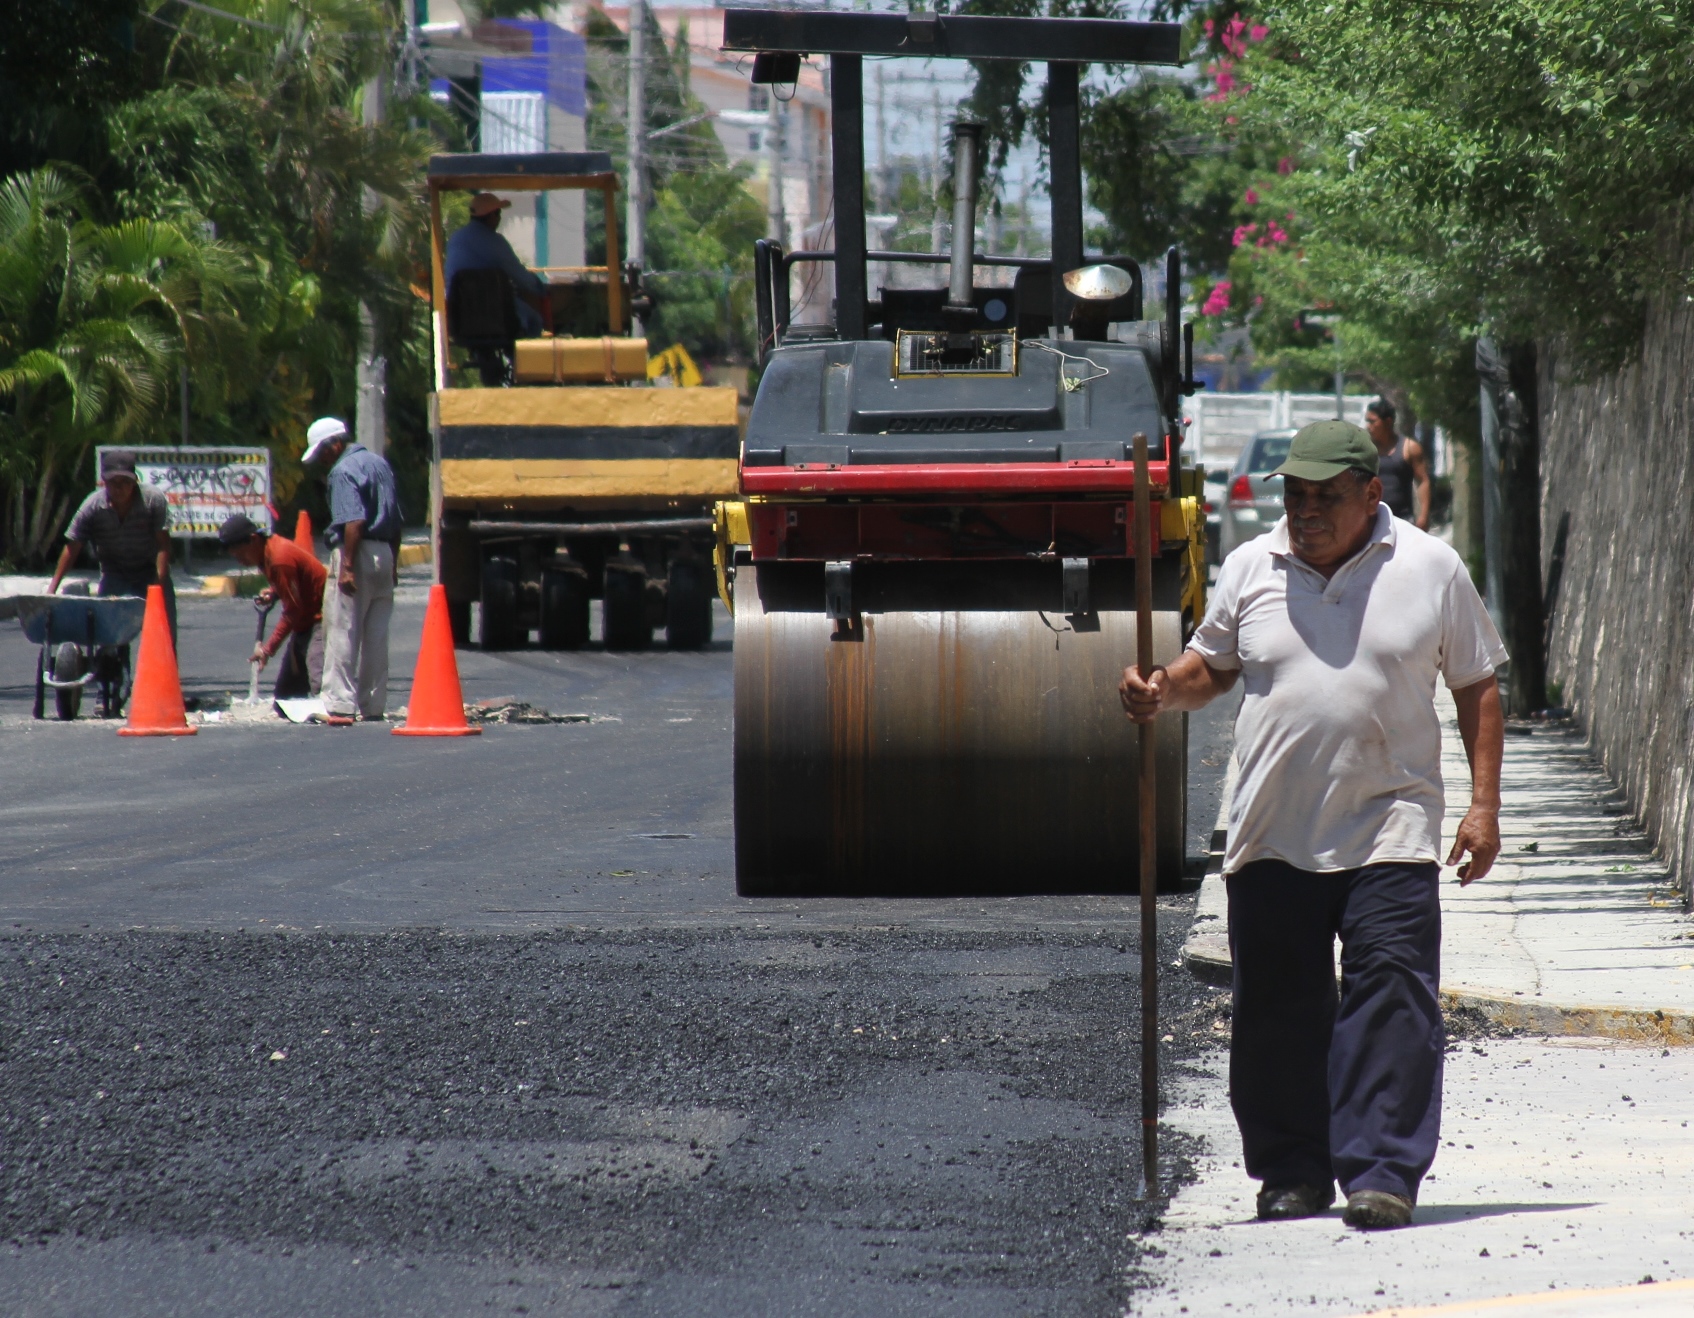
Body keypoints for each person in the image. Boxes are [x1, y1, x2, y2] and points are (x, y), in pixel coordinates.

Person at [1120, 419, 1507, 1231]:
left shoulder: (1431, 569)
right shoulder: (1248, 567)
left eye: (1326, 496)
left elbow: (1477, 684)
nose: (1307, 511)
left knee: (1392, 996)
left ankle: (1383, 1171)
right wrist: (1163, 688)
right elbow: (1210, 670)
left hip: (1392, 826)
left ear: (1373, 492)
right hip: (1273, 830)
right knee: (1277, 1013)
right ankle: (1292, 1173)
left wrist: (1482, 806)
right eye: (1296, 496)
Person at [301, 416, 402, 726]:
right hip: (384, 552)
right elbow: (396, 519)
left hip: (355, 552)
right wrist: (393, 563)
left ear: (335, 444)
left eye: (322, 452)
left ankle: (340, 704)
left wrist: (346, 568)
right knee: (376, 635)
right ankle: (373, 705)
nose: (322, 459)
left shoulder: (343, 471)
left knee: (342, 630)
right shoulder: (379, 465)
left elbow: (353, 522)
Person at [48, 449, 177, 651]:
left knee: (164, 635)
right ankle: (109, 671)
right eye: (113, 483)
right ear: (104, 483)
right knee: (106, 634)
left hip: (149, 571)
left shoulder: (152, 500)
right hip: (115, 572)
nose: (119, 489)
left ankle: (164, 678)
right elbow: (73, 546)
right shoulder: (93, 506)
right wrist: (52, 588)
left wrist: (158, 583)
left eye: (125, 482)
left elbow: (163, 544)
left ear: (135, 481)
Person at [216, 512, 327, 701]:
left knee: (321, 684)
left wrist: (268, 649)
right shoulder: (265, 555)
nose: (241, 561)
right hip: (303, 622)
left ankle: (335, 716)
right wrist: (275, 592)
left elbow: (292, 610)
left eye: (241, 554)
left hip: (321, 621)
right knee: (285, 696)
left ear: (253, 539)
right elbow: (294, 588)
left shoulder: (280, 557)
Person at [444, 192, 547, 337]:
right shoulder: (494, 241)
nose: (499, 219)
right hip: (492, 310)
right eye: (498, 213)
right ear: (492, 215)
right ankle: (517, 359)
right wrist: (540, 288)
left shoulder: (456, 238)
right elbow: (518, 274)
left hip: (459, 311)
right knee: (534, 320)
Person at [1365, 398, 1431, 530]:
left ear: (1388, 422)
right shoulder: (1365, 449)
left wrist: (1424, 516)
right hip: (1371, 520)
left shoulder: (1409, 448)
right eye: (1367, 421)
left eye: (1373, 421)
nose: (1368, 426)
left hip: (1402, 519)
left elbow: (1423, 481)